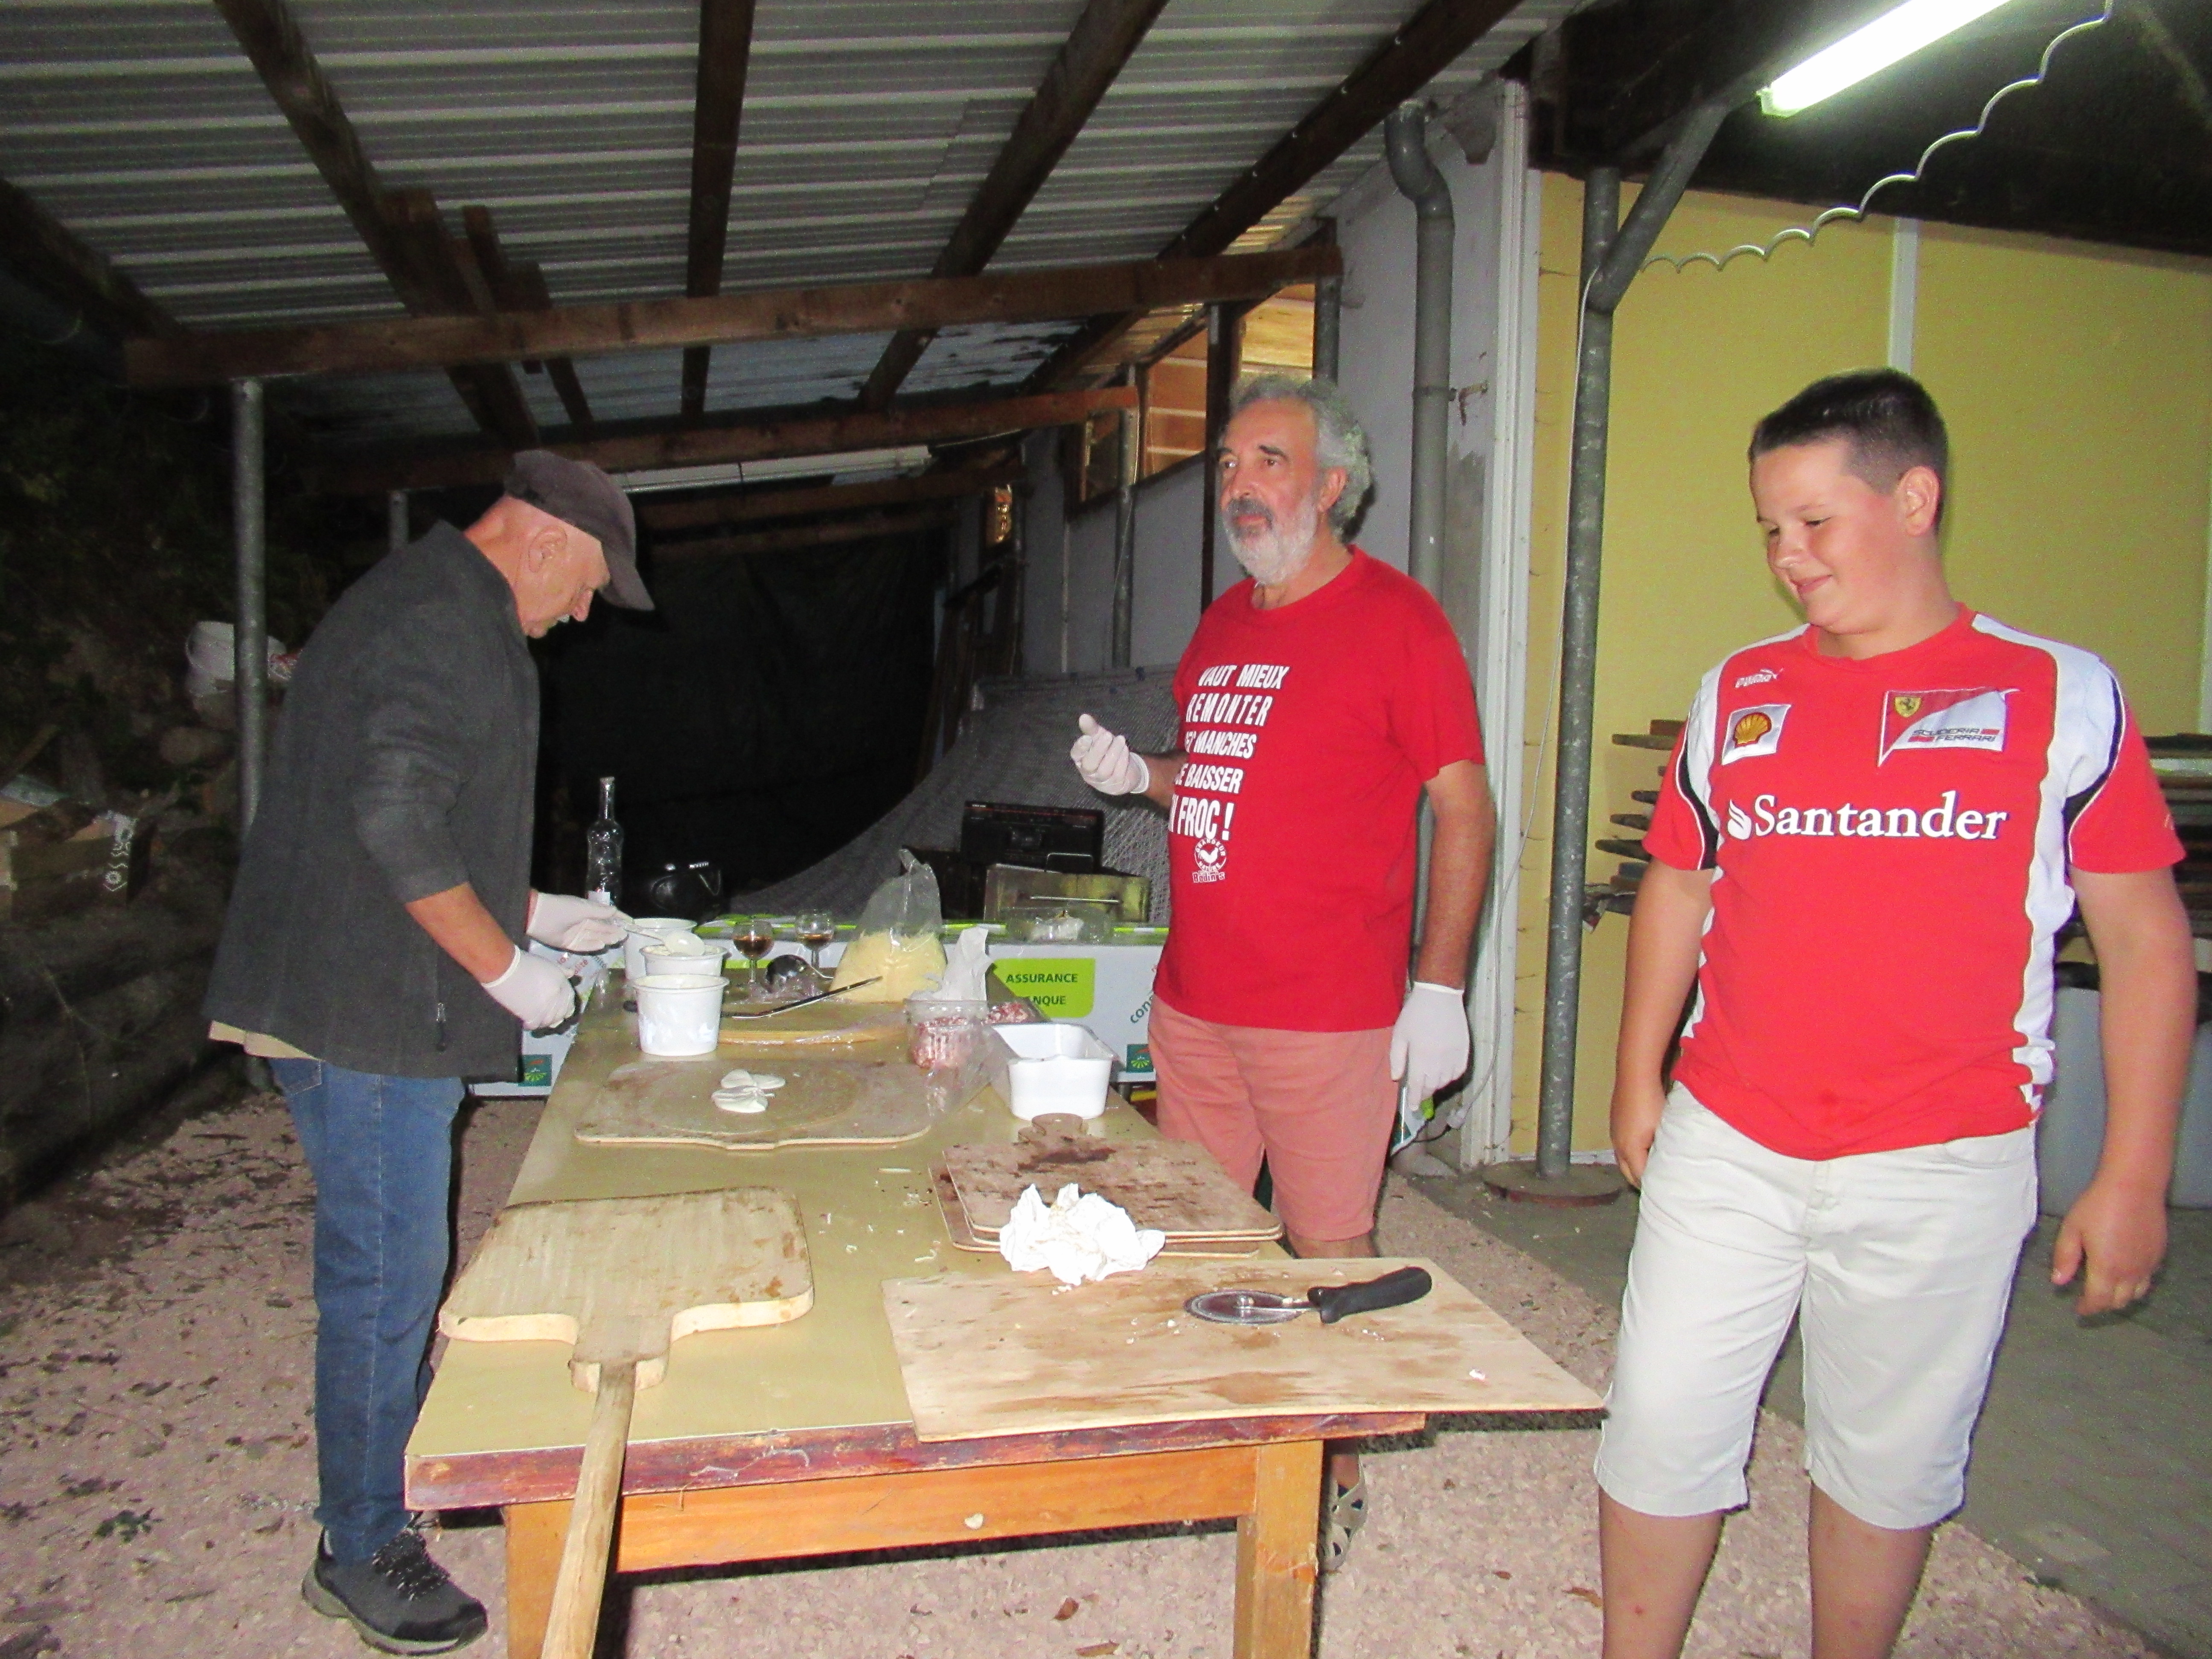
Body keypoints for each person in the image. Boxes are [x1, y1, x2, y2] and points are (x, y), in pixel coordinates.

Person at [1598, 370, 2192, 1659]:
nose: (1787, 556)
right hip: (1731, 1139)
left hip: (1943, 1161)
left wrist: (2132, 1174)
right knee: (1657, 1427)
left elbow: (2148, 943)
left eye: (1815, 522)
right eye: (1770, 527)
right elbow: (1681, 882)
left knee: (1886, 1463)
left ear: (1914, 499)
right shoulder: (1738, 691)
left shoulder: (2061, 694)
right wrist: (1639, 1075)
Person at [204, 451, 654, 1653]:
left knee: (399, 1261)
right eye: (587, 587)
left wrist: (537, 911)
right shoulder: (441, 619)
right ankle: (360, 1550)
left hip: (365, 978)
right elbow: (393, 815)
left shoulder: (432, 601)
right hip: (360, 1003)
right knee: (386, 1274)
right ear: (545, 540)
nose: (581, 615)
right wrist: (507, 969)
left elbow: (400, 814)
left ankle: (381, 1498)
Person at [1069, 374, 1496, 1569]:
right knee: (1198, 1237)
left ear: (1332, 485)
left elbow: (1465, 809)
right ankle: (1227, 1442)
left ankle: (1333, 1476)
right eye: (1228, 463)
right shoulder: (1223, 624)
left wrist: (1440, 987)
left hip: (1324, 1015)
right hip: (1195, 1000)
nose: (1241, 486)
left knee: (1328, 1248)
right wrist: (1142, 777)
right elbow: (1215, 779)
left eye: (1270, 461)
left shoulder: (1399, 622)